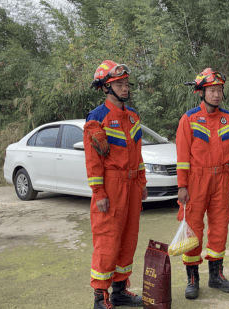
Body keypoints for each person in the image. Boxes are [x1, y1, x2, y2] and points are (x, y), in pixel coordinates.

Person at [85, 60, 148, 309]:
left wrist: (142, 182)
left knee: (128, 237)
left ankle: (121, 289)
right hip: (111, 186)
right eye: (118, 84)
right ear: (105, 88)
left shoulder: (133, 116)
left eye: (125, 83)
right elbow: (93, 161)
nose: (124, 88)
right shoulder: (97, 118)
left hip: (132, 186)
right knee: (107, 239)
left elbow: (139, 154)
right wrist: (99, 192)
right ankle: (100, 297)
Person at [176, 68, 229, 299]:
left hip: (222, 180)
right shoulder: (189, 118)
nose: (217, 94)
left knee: (220, 226)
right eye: (212, 90)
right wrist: (182, 186)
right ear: (201, 92)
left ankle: (216, 275)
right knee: (192, 228)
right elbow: (182, 156)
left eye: (220, 90)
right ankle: (193, 278)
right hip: (196, 180)